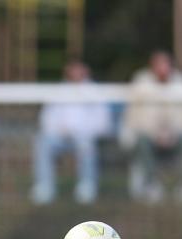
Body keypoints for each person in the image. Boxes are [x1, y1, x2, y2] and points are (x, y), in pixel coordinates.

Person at [30, 60, 112, 205]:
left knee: (86, 145)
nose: (75, 74)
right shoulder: (59, 90)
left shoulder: (95, 91)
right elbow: (47, 118)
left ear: (85, 71)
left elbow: (103, 121)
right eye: (73, 70)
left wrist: (84, 131)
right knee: (42, 143)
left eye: (78, 70)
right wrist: (58, 130)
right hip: (60, 136)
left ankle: (87, 187)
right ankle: (45, 187)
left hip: (84, 137)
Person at [120, 51, 182, 203]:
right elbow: (135, 116)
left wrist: (171, 133)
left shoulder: (178, 83)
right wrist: (156, 133)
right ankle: (151, 184)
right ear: (152, 66)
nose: (162, 68)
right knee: (143, 141)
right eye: (159, 64)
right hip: (148, 135)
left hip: (174, 136)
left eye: (165, 64)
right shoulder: (141, 83)